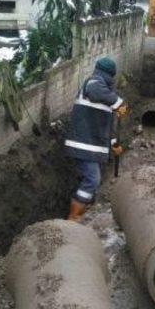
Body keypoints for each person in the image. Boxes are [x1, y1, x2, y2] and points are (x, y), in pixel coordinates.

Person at [65, 56, 128, 220]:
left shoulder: (104, 96)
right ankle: (72, 217)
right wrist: (119, 103)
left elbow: (104, 126)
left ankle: (83, 210)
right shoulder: (94, 83)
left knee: (90, 179)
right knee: (93, 179)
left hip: (89, 144)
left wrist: (114, 145)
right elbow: (95, 92)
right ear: (109, 76)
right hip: (83, 144)